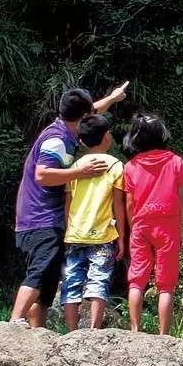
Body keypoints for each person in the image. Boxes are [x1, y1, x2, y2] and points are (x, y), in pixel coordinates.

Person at [11, 82, 129, 328]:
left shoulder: (69, 127)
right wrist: (81, 171)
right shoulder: (56, 140)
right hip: (38, 217)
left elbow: (93, 110)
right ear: (83, 116)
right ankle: (14, 322)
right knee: (40, 272)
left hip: (46, 217)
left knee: (49, 281)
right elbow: (42, 175)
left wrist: (112, 97)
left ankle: (36, 333)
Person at [122, 111, 183, 336]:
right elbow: (180, 199)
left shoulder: (130, 166)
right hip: (168, 225)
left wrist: (133, 226)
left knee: (136, 280)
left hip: (141, 224)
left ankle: (135, 329)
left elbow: (129, 202)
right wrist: (181, 228)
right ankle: (163, 335)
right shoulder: (176, 162)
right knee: (166, 284)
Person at [60, 114, 127, 332]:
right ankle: (93, 330)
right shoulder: (116, 166)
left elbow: (68, 203)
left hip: (75, 232)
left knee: (71, 282)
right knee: (99, 280)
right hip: (102, 234)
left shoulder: (75, 166)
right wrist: (122, 236)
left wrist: (66, 229)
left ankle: (71, 331)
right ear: (107, 137)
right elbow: (118, 204)